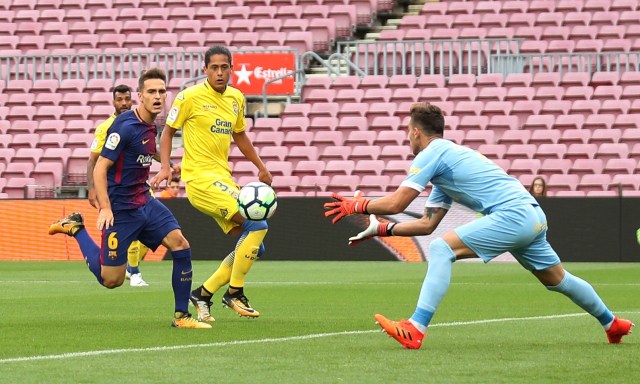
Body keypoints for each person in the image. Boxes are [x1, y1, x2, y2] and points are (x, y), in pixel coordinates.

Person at [324, 102, 633, 349]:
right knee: (557, 279)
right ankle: (612, 323)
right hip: (532, 215)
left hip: (514, 214)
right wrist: (381, 229)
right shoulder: (448, 161)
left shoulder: (433, 153)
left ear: (417, 132)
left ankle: (415, 329)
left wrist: (358, 205)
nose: (407, 137)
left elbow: (396, 204)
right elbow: (427, 223)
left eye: (408, 131)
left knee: (441, 249)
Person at [49, 68, 210, 329]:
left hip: (144, 200)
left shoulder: (151, 125)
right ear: (140, 96)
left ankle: (182, 316)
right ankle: (76, 228)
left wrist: (167, 164)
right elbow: (101, 167)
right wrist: (104, 207)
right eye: (151, 92)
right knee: (111, 279)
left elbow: (148, 150)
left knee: (180, 244)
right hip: (120, 209)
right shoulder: (124, 126)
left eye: (161, 91)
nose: (158, 96)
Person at [151, 45, 273, 322]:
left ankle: (203, 293)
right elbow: (168, 131)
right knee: (258, 224)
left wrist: (260, 166)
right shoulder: (190, 97)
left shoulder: (236, 98)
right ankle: (234, 293)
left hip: (223, 178)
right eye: (214, 68)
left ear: (231, 68)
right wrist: (166, 166)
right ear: (204, 69)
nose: (219, 72)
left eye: (224, 67)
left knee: (254, 246)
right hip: (199, 180)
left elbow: (240, 136)